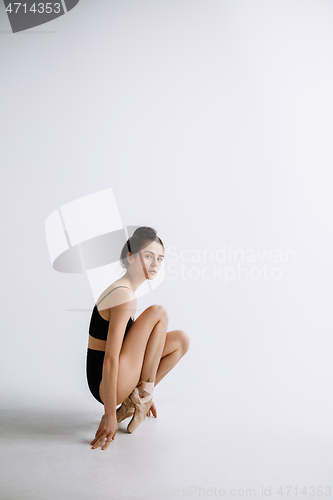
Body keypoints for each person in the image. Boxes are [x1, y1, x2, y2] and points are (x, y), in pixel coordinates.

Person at [86, 226, 190, 450]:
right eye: (149, 256)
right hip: (106, 386)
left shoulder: (126, 292)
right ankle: (142, 398)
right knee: (158, 313)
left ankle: (138, 400)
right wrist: (109, 415)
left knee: (181, 341)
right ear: (131, 257)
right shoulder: (123, 295)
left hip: (114, 379)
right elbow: (110, 358)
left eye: (160, 258)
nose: (155, 264)